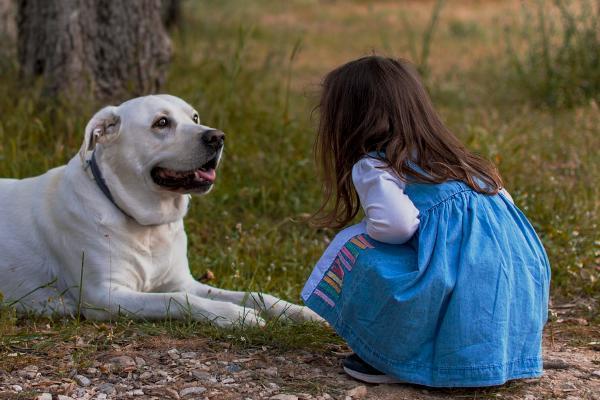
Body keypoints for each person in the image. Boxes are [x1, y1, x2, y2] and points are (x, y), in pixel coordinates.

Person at [301, 56, 550, 387]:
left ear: (349, 121)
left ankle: (395, 357)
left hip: (459, 286)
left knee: (356, 247)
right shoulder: (462, 162)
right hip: (517, 284)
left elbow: (397, 226)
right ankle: (490, 356)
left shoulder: (376, 166)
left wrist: (369, 232)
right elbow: (505, 215)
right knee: (458, 265)